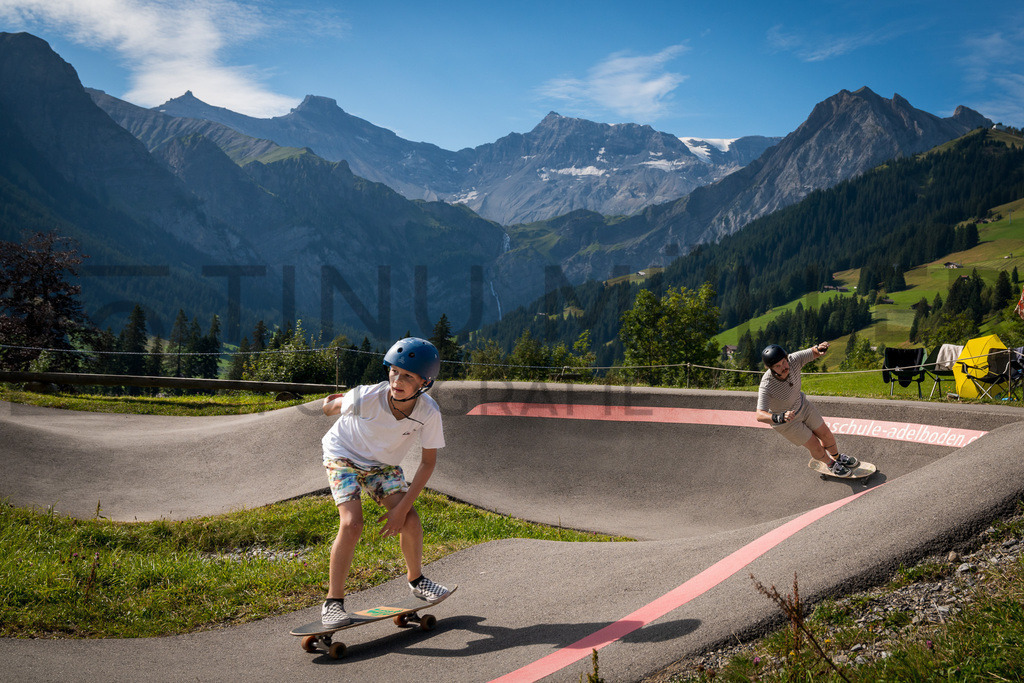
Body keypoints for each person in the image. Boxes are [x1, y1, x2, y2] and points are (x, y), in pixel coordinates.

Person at [319, 337, 450, 628]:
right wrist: (332, 404)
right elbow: (330, 408)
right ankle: (333, 603)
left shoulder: (429, 413)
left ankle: (417, 580)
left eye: (407, 376)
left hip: (382, 466)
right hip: (343, 456)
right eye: (393, 371)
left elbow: (428, 463)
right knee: (352, 524)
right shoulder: (366, 397)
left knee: (411, 520)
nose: (396, 380)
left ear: (424, 382)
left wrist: (401, 509)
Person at [754, 342, 859, 477]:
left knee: (826, 434)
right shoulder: (767, 384)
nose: (784, 367)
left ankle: (837, 457)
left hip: (802, 406)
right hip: (786, 422)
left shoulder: (793, 360)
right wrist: (778, 417)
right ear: (771, 369)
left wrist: (820, 348)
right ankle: (830, 464)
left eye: (784, 362)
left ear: (786, 358)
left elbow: (813, 352)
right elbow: (759, 415)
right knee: (815, 445)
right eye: (778, 366)